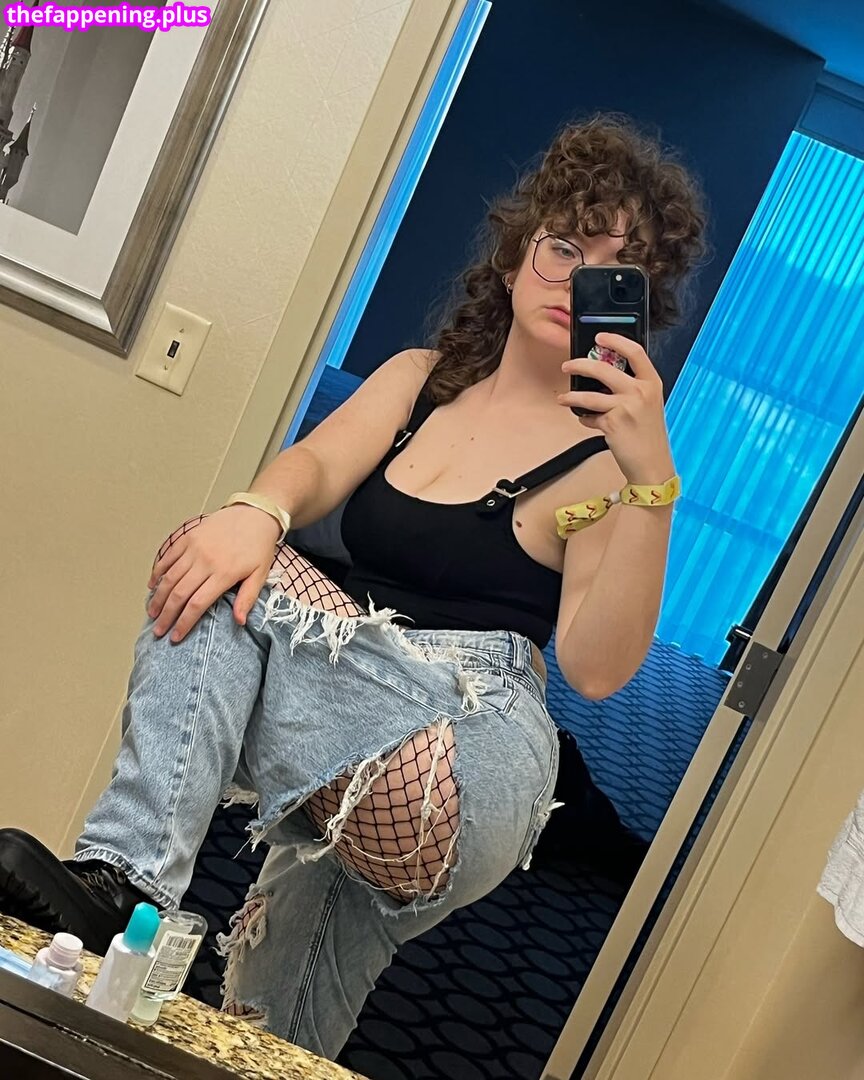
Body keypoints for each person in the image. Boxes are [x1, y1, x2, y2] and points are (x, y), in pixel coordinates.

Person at [0, 113, 705, 1060]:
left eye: (615, 270)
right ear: (513, 256)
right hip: (348, 731)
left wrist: (652, 485)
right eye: (564, 246)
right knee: (266, 1034)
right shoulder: (421, 382)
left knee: (223, 564)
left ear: (637, 306)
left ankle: (125, 876)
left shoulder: (608, 464)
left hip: (470, 753)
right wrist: (260, 507)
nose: (577, 279)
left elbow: (596, 669)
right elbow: (318, 467)